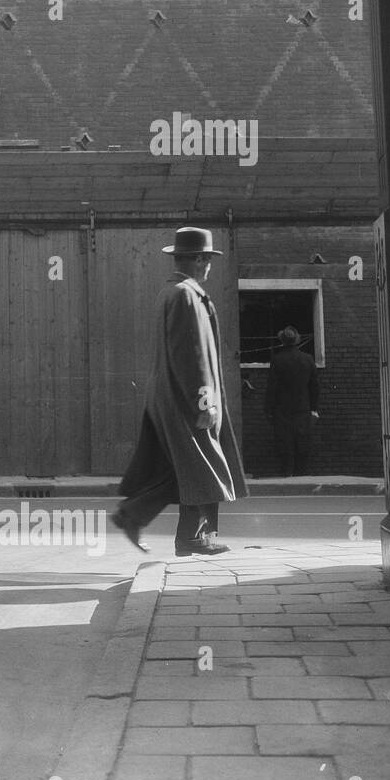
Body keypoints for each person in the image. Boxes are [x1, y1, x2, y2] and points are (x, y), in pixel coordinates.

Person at [110, 228, 247, 557]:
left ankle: (138, 517)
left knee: (185, 469)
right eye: (209, 259)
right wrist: (204, 402)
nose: (210, 265)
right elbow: (192, 355)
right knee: (205, 465)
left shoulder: (174, 292)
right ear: (200, 260)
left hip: (169, 397)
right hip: (185, 400)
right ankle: (189, 536)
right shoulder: (187, 295)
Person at [265, 326, 319, 476]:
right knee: (302, 443)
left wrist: (268, 410)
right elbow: (314, 386)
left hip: (282, 409)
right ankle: (300, 475)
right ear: (297, 340)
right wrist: (313, 408)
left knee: (285, 443)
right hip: (303, 408)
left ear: (282, 341)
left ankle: (286, 474)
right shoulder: (308, 359)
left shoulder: (277, 360)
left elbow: (272, 388)